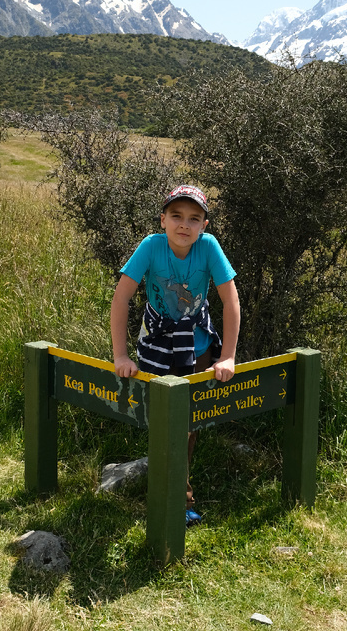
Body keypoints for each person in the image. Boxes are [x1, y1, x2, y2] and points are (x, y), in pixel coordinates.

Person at [111, 184, 240, 526]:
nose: (185, 225)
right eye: (177, 216)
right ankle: (161, 487)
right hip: (155, 343)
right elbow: (121, 297)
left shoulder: (208, 248)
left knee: (186, 424)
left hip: (195, 346)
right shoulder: (151, 247)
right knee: (161, 419)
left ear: (204, 225)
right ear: (163, 219)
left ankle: (179, 500)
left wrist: (226, 357)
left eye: (194, 218)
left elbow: (231, 301)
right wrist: (120, 356)